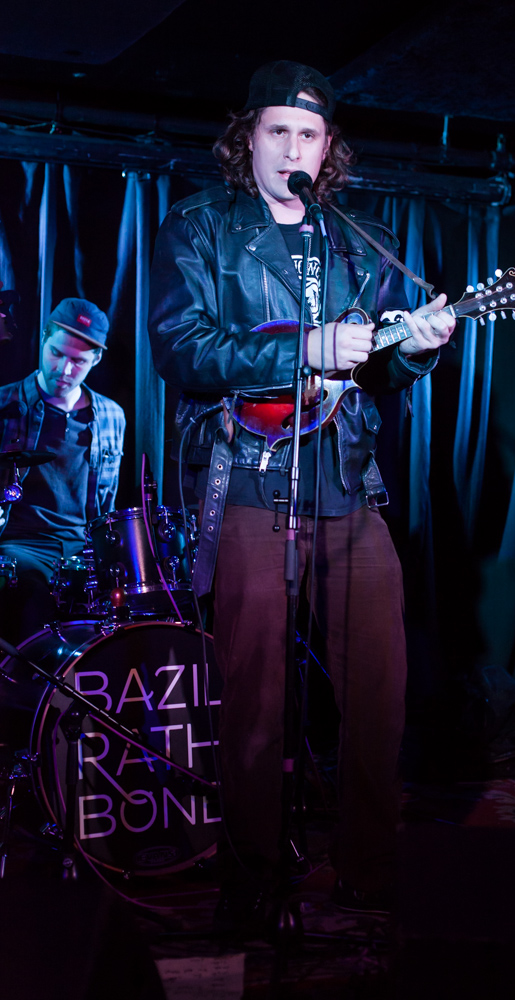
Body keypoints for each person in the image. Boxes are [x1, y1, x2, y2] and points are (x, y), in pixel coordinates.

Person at [148, 60, 455, 925]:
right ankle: (251, 878)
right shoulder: (199, 229)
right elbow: (184, 350)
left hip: (347, 485)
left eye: (308, 135)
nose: (292, 147)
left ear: (329, 151)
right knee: (253, 698)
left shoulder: (358, 241)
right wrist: (306, 350)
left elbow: (385, 368)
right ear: (246, 138)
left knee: (378, 690)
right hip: (246, 483)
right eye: (276, 130)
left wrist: (421, 343)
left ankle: (370, 868)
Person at [0, 298, 125, 643]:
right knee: (31, 600)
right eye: (57, 353)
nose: (64, 370)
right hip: (20, 543)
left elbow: (106, 504)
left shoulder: (112, 415)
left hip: (82, 547)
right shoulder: (6, 404)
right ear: (43, 339)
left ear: (96, 359)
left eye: (78, 361)